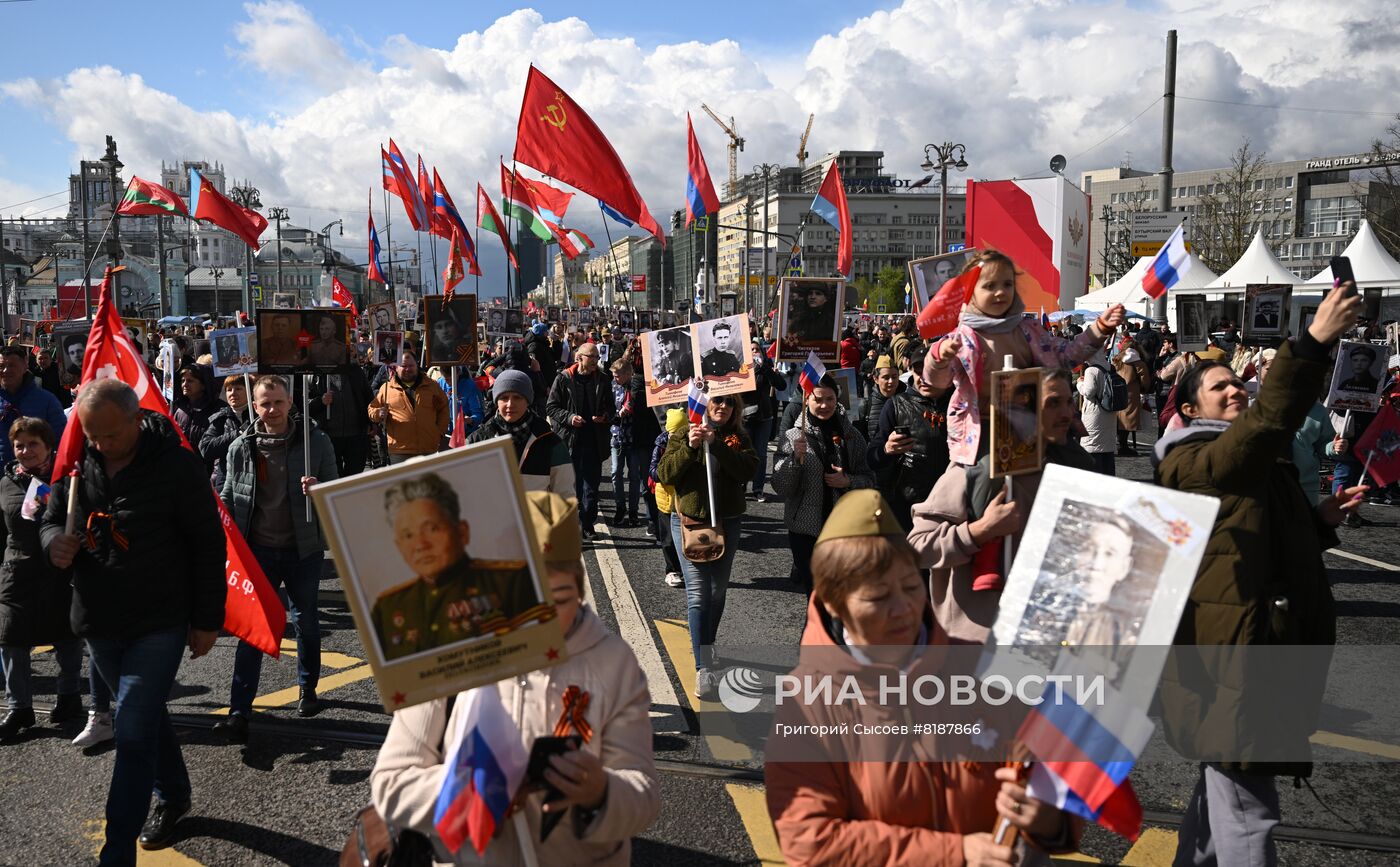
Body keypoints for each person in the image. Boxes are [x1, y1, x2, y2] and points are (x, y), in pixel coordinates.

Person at [1152, 283, 1364, 867]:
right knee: (1248, 803)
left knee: (1223, 789)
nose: (1236, 388)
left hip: (1257, 645)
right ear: (1190, 410)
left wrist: (1319, 520)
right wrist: (1315, 342)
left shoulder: (1254, 463)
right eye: (1220, 386)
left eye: (1236, 380)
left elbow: (1255, 538)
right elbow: (1267, 426)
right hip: (1230, 654)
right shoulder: (1193, 458)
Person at [766, 489, 1079, 866]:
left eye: (912, 587)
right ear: (833, 603)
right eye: (878, 597)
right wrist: (956, 854)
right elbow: (810, 842)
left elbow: (1050, 773)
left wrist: (1047, 818)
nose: (904, 609)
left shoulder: (984, 668)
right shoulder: (808, 705)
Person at [370, 491, 660, 865]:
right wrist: (473, 790)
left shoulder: (613, 661)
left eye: (559, 601)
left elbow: (644, 793)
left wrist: (601, 791)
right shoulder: (446, 653)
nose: (540, 619)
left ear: (581, 589)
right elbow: (391, 786)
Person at [42, 380, 225, 862]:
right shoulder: (78, 463)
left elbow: (207, 543)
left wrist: (208, 618)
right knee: (143, 715)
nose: (100, 445)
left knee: (132, 726)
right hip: (98, 619)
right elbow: (50, 518)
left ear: (135, 419)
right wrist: (52, 542)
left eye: (110, 435)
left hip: (158, 619)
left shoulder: (176, 465)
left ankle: (116, 850)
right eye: (90, 434)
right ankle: (174, 792)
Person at [909, 367, 1093, 643]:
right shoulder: (972, 471)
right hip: (972, 650)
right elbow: (917, 548)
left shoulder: (1071, 470)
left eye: (1069, 402)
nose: (1067, 413)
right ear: (1024, 409)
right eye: (1053, 403)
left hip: (1037, 645)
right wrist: (978, 532)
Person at [213, 376, 338, 742]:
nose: (272, 410)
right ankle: (239, 710)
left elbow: (336, 489)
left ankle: (307, 690)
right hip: (259, 551)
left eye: (278, 403)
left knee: (306, 622)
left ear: (290, 403)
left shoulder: (316, 442)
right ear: (254, 405)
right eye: (264, 404)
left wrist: (319, 489)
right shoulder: (240, 447)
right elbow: (229, 492)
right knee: (252, 631)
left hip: (304, 550)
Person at [923, 249, 1122, 468]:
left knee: (1082, 465)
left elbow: (1067, 355)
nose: (1000, 292)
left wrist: (1099, 328)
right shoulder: (962, 337)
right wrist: (938, 357)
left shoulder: (1029, 330)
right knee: (973, 484)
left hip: (1034, 424)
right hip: (982, 430)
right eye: (990, 286)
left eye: (1007, 284)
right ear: (970, 291)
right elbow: (935, 384)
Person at [368, 472, 540, 661]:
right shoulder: (388, 607)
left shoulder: (512, 583)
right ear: (398, 545)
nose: (421, 545)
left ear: (462, 532)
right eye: (408, 535)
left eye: (432, 529)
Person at [656, 392, 756, 698]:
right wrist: (692, 446)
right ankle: (704, 668)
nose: (723, 407)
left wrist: (718, 446)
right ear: (704, 404)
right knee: (699, 593)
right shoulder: (686, 431)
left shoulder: (738, 435)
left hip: (727, 520)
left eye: (729, 403)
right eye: (717, 402)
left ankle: (707, 646)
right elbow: (665, 473)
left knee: (718, 590)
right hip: (689, 521)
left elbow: (748, 471)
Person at [0, 417, 85, 742]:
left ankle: (69, 696)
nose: (25, 451)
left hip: (58, 570)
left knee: (66, 637)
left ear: (49, 446)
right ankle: (19, 707)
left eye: (33, 444)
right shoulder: (6, 483)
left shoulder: (66, 480)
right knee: (11, 639)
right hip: (16, 572)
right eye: (19, 445)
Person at [772, 375, 875, 590]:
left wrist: (847, 480)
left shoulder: (852, 436)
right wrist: (794, 461)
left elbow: (870, 480)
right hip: (806, 530)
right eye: (818, 399)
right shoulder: (793, 437)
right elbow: (781, 487)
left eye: (830, 399)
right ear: (806, 399)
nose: (824, 405)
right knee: (816, 593)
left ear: (837, 399)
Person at [866, 345, 952, 533]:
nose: (924, 377)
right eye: (918, 371)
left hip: (952, 502)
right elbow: (872, 457)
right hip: (909, 505)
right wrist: (886, 450)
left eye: (931, 371)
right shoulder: (896, 405)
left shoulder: (959, 402)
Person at [546, 342, 615, 540]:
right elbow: (551, 407)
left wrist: (603, 416)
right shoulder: (563, 378)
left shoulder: (602, 379)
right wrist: (569, 418)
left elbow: (611, 408)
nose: (595, 361)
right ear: (579, 357)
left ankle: (588, 524)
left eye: (596, 357)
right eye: (591, 357)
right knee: (571, 487)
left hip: (594, 441)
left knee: (591, 488)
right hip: (569, 441)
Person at [468, 369, 574, 494]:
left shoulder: (552, 444)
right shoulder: (476, 442)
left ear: (528, 401)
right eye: (504, 397)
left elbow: (565, 496)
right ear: (496, 402)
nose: (510, 404)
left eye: (517, 397)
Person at [369, 348, 449, 465]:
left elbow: (444, 409)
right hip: (399, 450)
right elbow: (371, 409)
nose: (407, 369)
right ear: (396, 367)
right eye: (403, 366)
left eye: (411, 365)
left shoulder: (432, 386)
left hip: (427, 448)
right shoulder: (386, 388)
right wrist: (378, 413)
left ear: (416, 365)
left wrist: (439, 432)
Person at [0, 345, 67, 468]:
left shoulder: (47, 401)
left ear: (25, 365)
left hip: (39, 479)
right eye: (1, 366)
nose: (5, 371)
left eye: (11, 366)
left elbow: (62, 442)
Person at [309, 362, 374, 478]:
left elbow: (368, 396)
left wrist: (372, 422)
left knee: (355, 475)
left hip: (356, 434)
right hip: (328, 436)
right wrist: (320, 401)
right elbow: (303, 404)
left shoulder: (355, 370)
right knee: (333, 476)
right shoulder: (314, 373)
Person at [743, 337, 787, 501]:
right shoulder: (741, 370)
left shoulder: (766, 368)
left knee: (761, 454)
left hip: (764, 416)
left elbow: (781, 385)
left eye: (757, 350)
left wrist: (765, 368)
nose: (755, 352)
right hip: (744, 417)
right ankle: (741, 486)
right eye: (751, 350)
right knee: (745, 453)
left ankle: (758, 488)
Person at [199, 375, 251, 491]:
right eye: (229, 390)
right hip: (226, 480)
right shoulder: (221, 418)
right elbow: (206, 448)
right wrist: (238, 434)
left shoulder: (258, 416)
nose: (233, 393)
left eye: (238, 389)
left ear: (250, 391)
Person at [608, 359, 644, 527]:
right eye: (613, 376)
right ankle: (620, 507)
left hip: (634, 436)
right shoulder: (612, 386)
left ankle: (633, 511)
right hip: (617, 435)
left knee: (634, 476)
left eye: (618, 376)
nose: (615, 379)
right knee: (616, 473)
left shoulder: (637, 387)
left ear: (628, 374)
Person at [171, 363, 224, 468]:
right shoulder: (180, 410)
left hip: (207, 472)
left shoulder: (218, 410)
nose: (185, 384)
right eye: (183, 381)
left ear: (204, 385)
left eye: (190, 381)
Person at [1077, 348, 1118, 475]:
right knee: (1107, 447)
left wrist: (1080, 384)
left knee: (1093, 446)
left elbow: (1089, 392)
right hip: (1109, 412)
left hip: (1094, 413)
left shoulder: (1091, 370)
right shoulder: (1109, 366)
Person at [1113, 337, 1151, 456]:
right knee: (1127, 420)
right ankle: (1124, 446)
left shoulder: (1117, 360)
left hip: (1117, 392)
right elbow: (1145, 380)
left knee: (1118, 420)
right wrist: (1145, 388)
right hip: (1131, 393)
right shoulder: (1139, 362)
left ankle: (1120, 444)